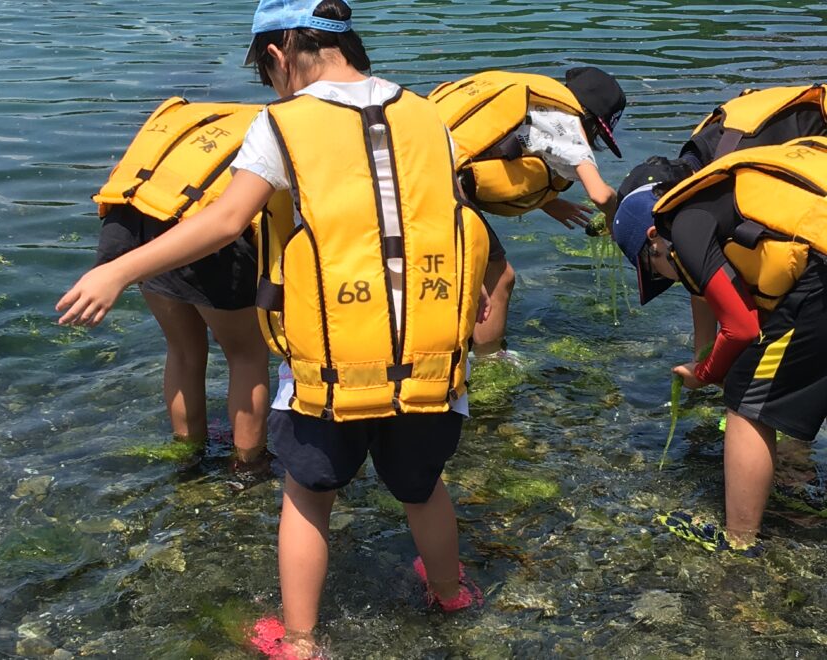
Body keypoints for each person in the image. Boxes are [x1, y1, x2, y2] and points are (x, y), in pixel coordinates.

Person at [57, 0, 490, 656]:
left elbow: (227, 221)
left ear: (279, 53)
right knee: (423, 486)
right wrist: (478, 289)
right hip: (431, 358)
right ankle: (450, 593)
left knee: (310, 496)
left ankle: (300, 639)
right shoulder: (428, 115)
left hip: (330, 364)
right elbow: (449, 217)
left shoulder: (281, 125)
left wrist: (119, 271)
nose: (270, 84)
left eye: (265, 71)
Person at [612, 136, 827, 554]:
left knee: (747, 394)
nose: (661, 276)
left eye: (649, 264)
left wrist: (704, 375)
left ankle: (739, 542)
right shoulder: (720, 198)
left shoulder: (688, 225)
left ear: (655, 237)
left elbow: (743, 328)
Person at [92, 100, 283, 470]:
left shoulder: (207, 111)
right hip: (207, 229)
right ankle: (247, 468)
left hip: (139, 216)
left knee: (182, 350)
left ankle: (187, 457)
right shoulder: (292, 124)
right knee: (246, 355)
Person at [430, 68, 626, 354]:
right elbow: (601, 194)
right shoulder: (571, 128)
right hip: (443, 187)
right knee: (499, 278)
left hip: (414, 162)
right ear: (594, 122)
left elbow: (493, 148)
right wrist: (614, 220)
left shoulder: (535, 103)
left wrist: (550, 202)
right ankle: (489, 362)